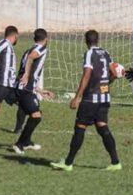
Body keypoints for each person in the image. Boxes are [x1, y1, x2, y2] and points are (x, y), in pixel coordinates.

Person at [51, 30, 122, 172]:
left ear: (86, 40)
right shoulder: (106, 53)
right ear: (98, 39)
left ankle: (68, 162)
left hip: (91, 99)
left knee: (80, 127)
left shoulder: (90, 53)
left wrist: (77, 97)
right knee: (102, 127)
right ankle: (115, 162)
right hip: (105, 97)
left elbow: (86, 76)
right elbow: (114, 72)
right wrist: (107, 83)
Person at [12, 28, 54, 154]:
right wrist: (26, 75)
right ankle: (20, 144)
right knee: (36, 116)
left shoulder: (28, 50)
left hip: (25, 88)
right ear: (46, 39)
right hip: (25, 89)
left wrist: (40, 90)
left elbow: (30, 69)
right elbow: (31, 58)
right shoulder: (40, 49)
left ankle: (27, 141)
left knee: (33, 114)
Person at [0, 26, 19, 108]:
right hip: (2, 83)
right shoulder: (4, 43)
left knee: (25, 105)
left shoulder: (9, 45)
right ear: (15, 36)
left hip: (10, 86)